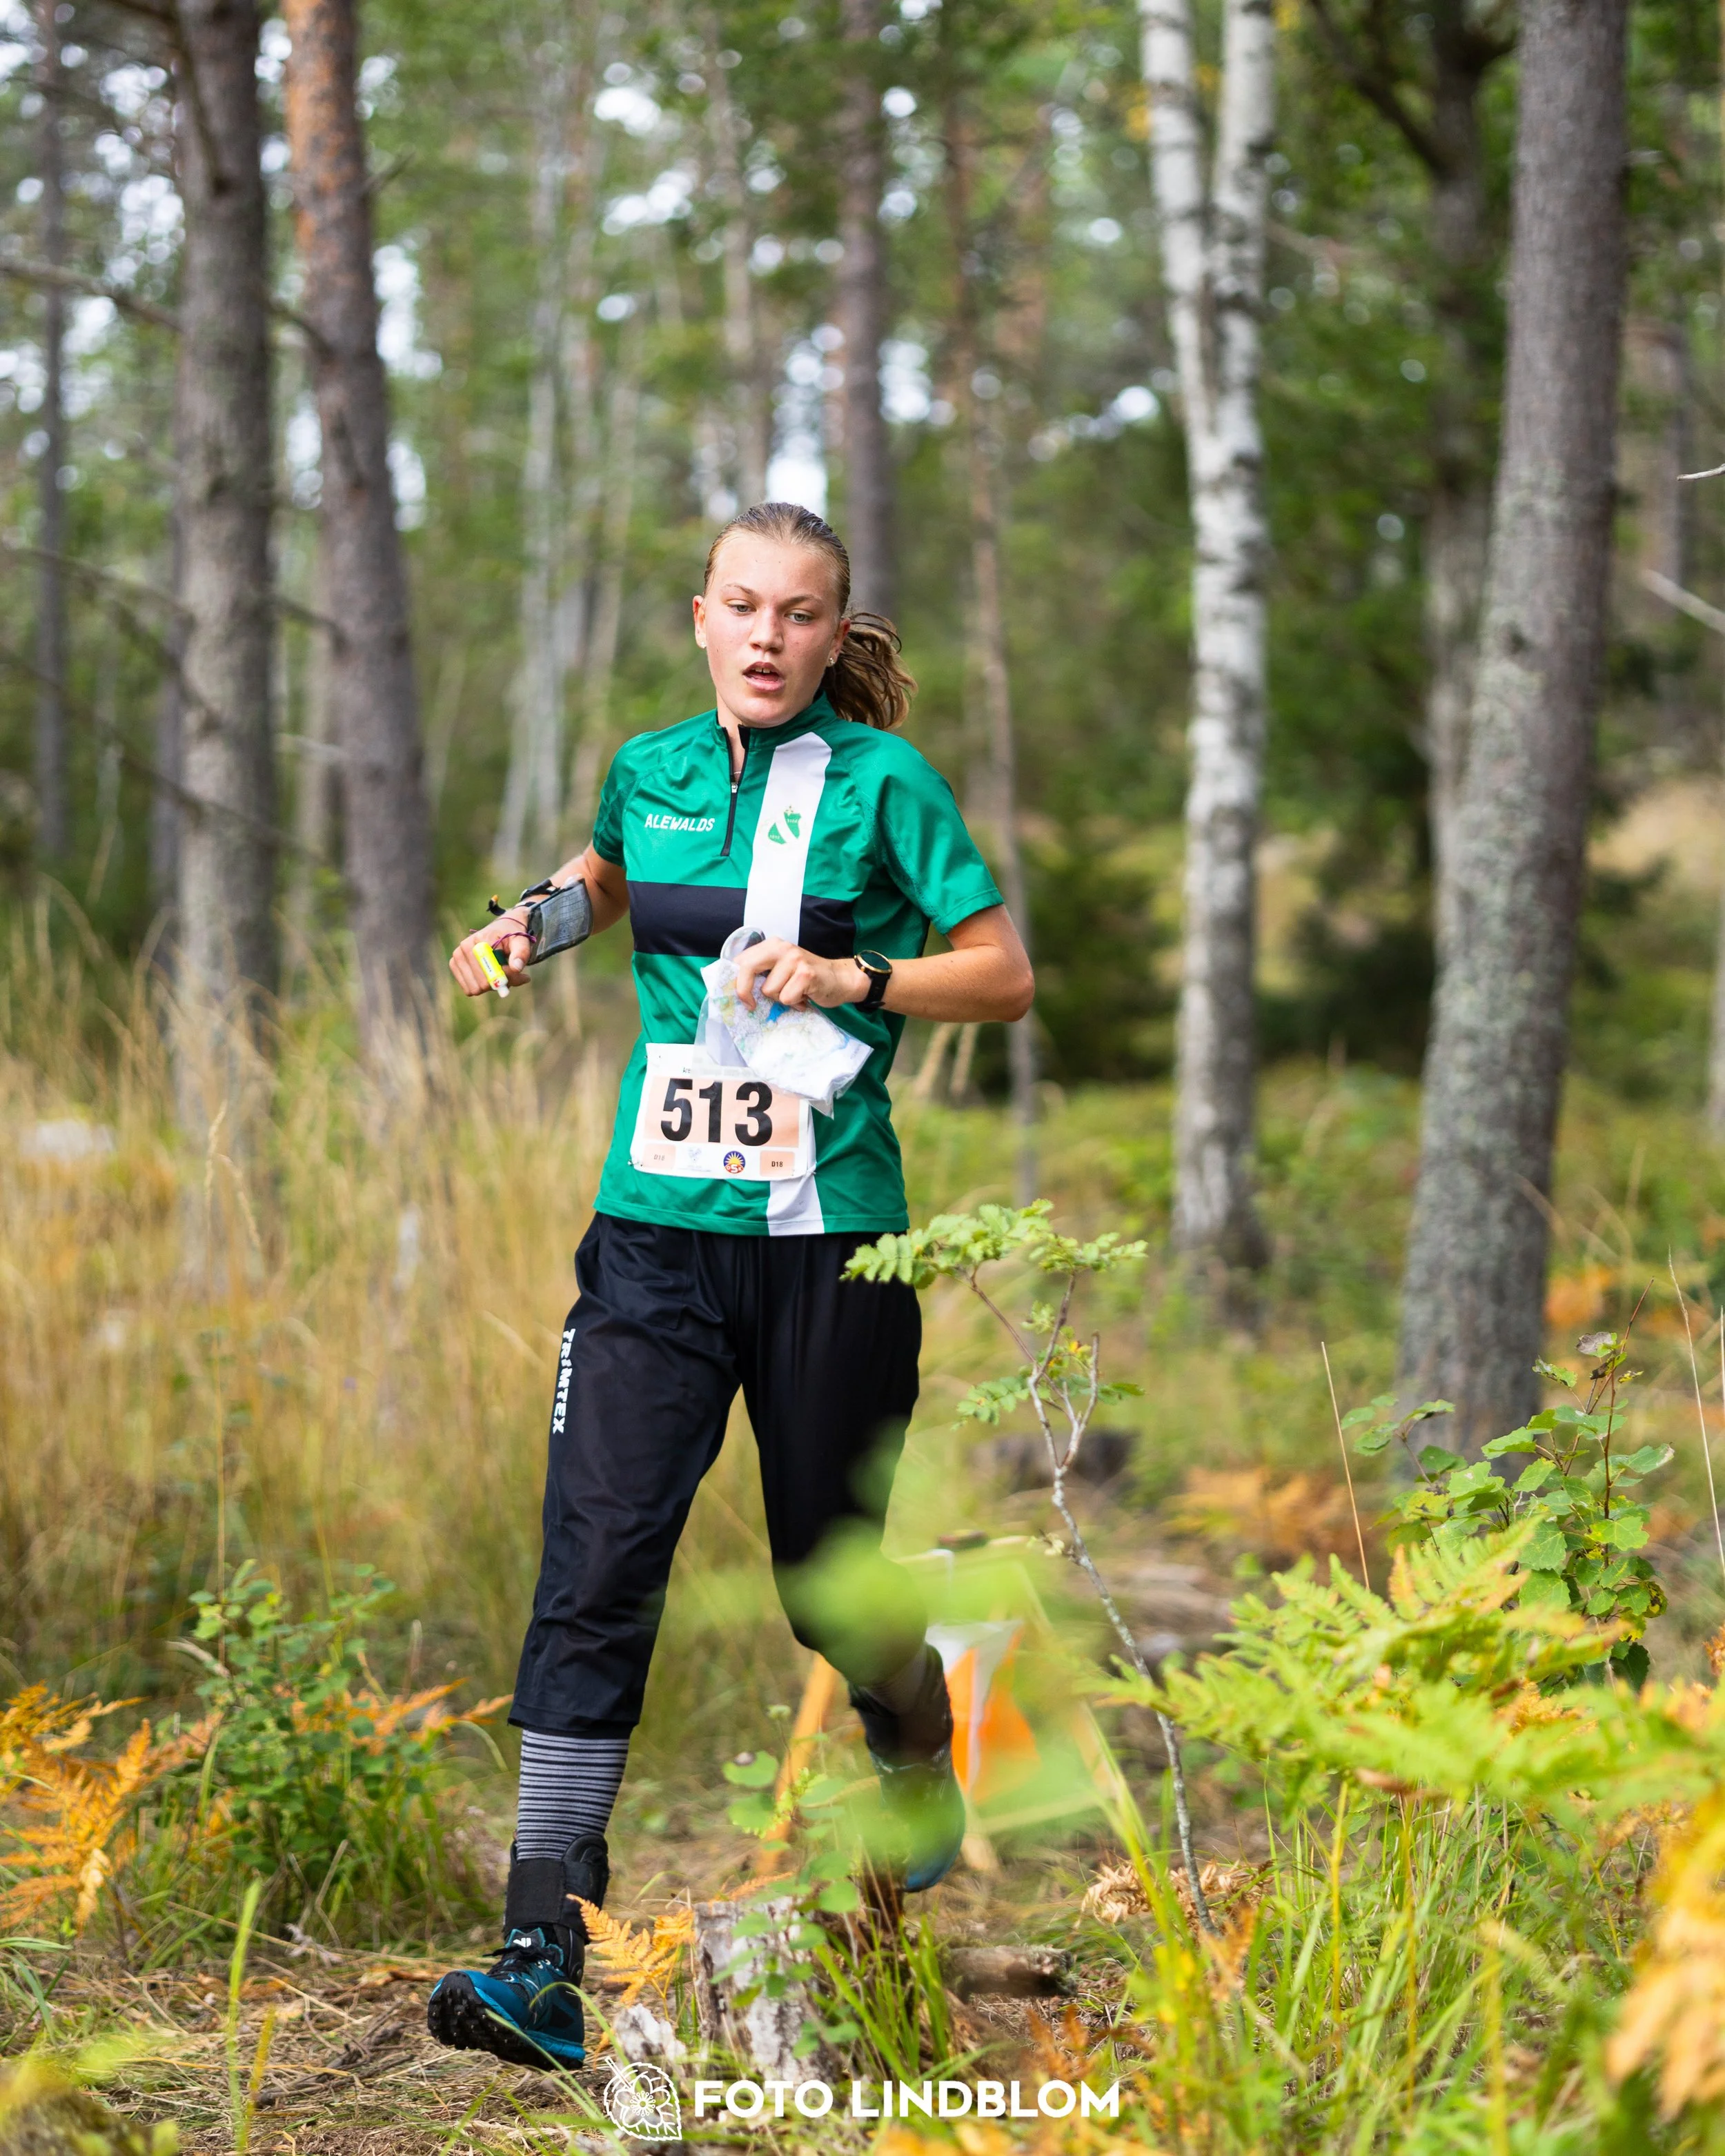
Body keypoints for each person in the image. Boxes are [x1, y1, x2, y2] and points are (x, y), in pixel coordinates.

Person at [428, 502, 1034, 2071]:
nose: (768, 635)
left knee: (825, 1579)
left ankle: (917, 1731)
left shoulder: (887, 784)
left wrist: (853, 973)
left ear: (835, 634)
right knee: (596, 1559)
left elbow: (1003, 974)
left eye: (800, 613)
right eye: (743, 606)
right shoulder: (650, 767)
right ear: (701, 616)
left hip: (833, 1242)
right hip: (651, 1238)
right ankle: (541, 1955)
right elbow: (609, 876)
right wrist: (527, 929)